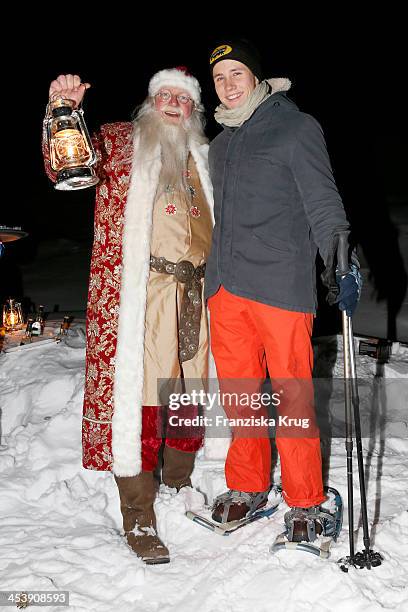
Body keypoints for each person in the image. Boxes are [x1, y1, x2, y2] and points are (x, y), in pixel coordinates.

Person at [42, 67, 214, 563]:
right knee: (139, 403)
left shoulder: (206, 156)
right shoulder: (121, 143)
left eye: (184, 99)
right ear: (149, 101)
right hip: (141, 296)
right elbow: (69, 169)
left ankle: (178, 486)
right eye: (165, 96)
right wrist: (64, 112)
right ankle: (138, 512)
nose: (174, 105)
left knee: (187, 395)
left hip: (197, 296)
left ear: (195, 110)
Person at [204, 39, 361, 541]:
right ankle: (248, 485)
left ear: (256, 76)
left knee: (293, 397)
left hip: (278, 286)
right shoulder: (221, 142)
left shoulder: (295, 127)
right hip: (226, 287)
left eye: (236, 73)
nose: (228, 85)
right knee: (240, 396)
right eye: (219, 77)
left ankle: (307, 500)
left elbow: (322, 199)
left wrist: (341, 257)